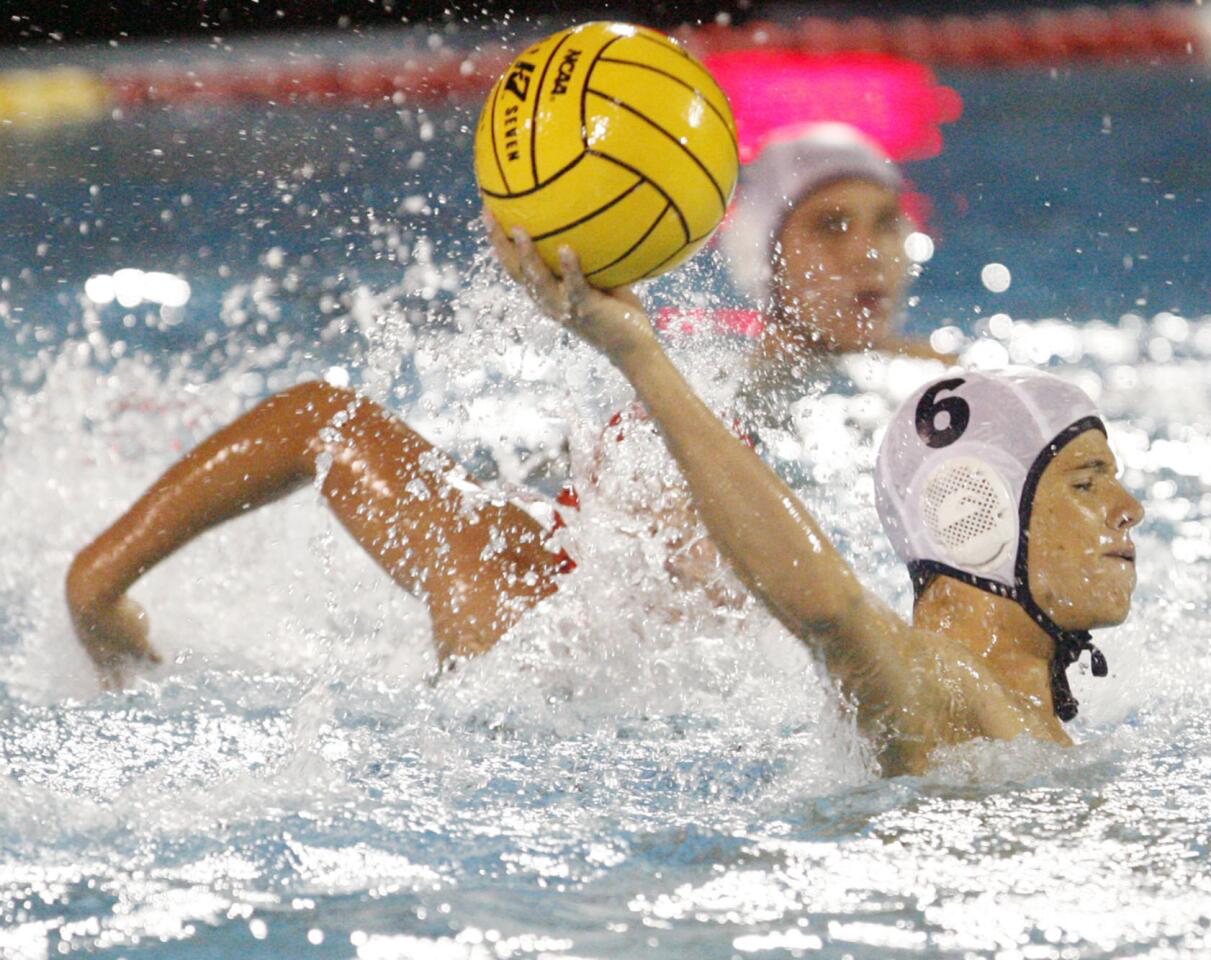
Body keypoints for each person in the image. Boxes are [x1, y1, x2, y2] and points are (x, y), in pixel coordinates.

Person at [65, 123, 941, 687]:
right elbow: (320, 418)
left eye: (887, 223)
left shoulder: (928, 397)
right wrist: (93, 588)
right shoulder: (513, 594)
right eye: (831, 225)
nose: (870, 254)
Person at [490, 224, 1144, 775]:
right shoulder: (946, 698)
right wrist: (640, 356)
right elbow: (832, 611)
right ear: (976, 512)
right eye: (1086, 481)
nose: (1129, 507)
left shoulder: (1024, 730)